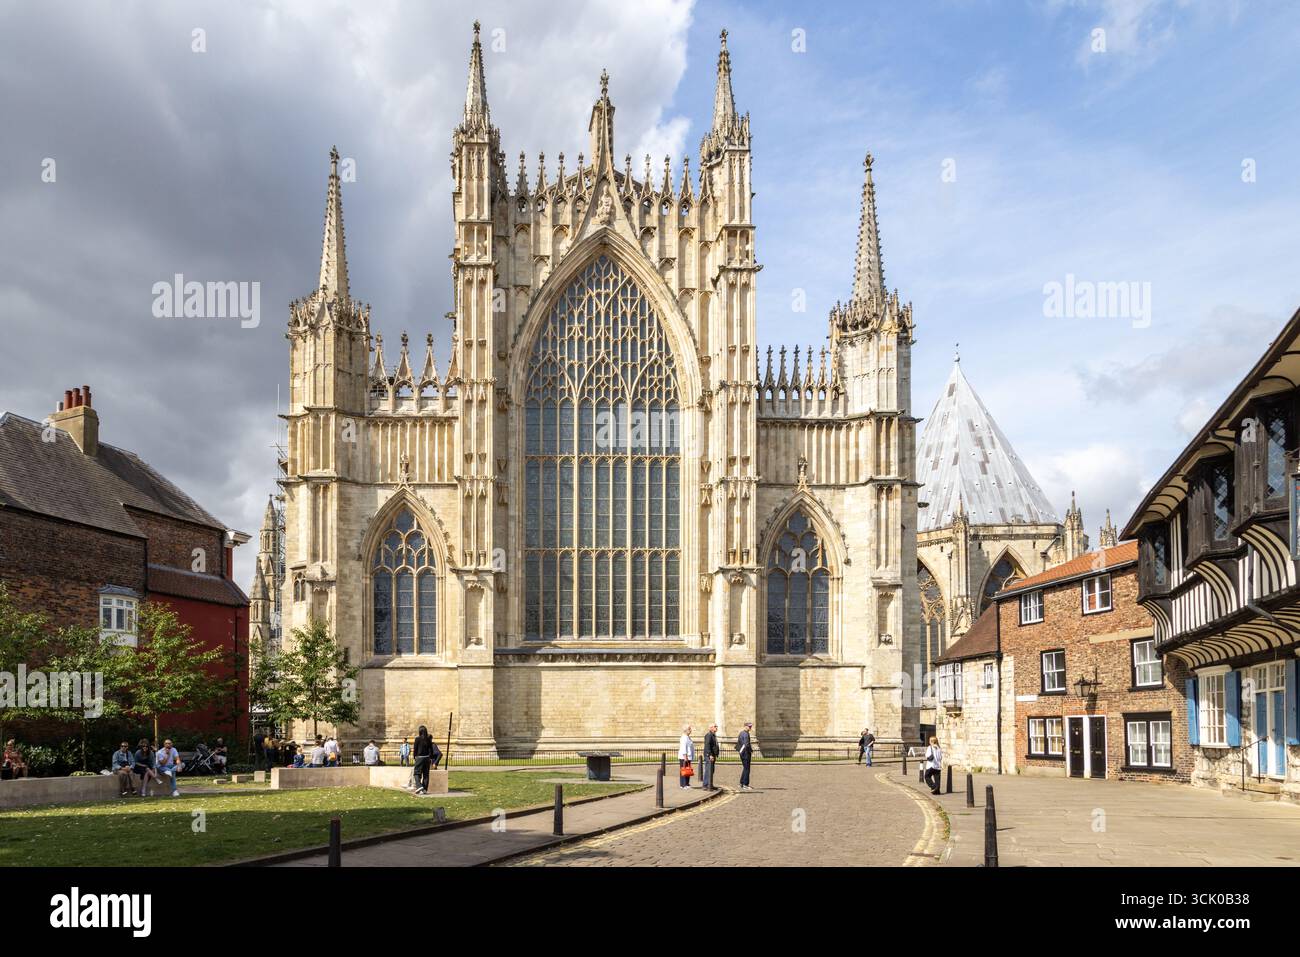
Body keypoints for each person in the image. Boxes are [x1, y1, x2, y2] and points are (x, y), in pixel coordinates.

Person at [412, 725, 434, 794]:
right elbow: (431, 749)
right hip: (427, 758)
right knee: (426, 775)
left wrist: (414, 756)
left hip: (420, 758)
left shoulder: (417, 739)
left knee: (416, 773)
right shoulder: (428, 739)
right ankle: (424, 789)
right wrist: (430, 757)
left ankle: (419, 786)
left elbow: (415, 749)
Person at [736, 722, 754, 791]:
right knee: (747, 769)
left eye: (750, 727)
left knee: (745, 768)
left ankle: (741, 783)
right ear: (745, 726)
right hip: (746, 753)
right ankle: (745, 784)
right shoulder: (746, 734)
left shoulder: (741, 733)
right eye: (749, 726)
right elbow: (746, 744)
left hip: (742, 753)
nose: (750, 728)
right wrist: (750, 750)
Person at [702, 724, 719, 791]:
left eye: (716, 726)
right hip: (709, 756)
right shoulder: (709, 735)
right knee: (708, 770)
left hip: (713, 755)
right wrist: (710, 755)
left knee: (711, 770)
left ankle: (710, 784)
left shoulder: (713, 735)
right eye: (715, 726)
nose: (716, 727)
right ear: (711, 728)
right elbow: (707, 745)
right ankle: (705, 785)